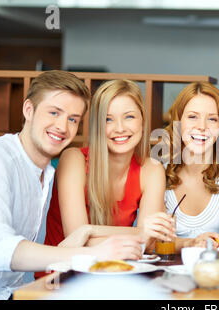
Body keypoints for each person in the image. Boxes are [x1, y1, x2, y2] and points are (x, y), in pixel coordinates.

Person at [0, 71, 145, 300]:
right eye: (54, 112)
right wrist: (90, 254)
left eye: (72, 119)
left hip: (13, 293)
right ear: (29, 110)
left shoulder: (46, 172)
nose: (62, 126)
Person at [38, 79, 176, 275]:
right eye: (108, 119)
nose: (119, 128)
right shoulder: (73, 160)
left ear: (143, 121)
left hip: (116, 275)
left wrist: (90, 230)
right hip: (63, 279)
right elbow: (77, 241)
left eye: (129, 117)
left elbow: (149, 241)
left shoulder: (152, 170)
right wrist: (140, 234)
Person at [160, 82, 219, 250]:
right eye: (192, 116)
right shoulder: (160, 170)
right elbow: (155, 242)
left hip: (214, 267)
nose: (202, 127)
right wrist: (192, 243)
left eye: (212, 119)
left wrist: (210, 244)